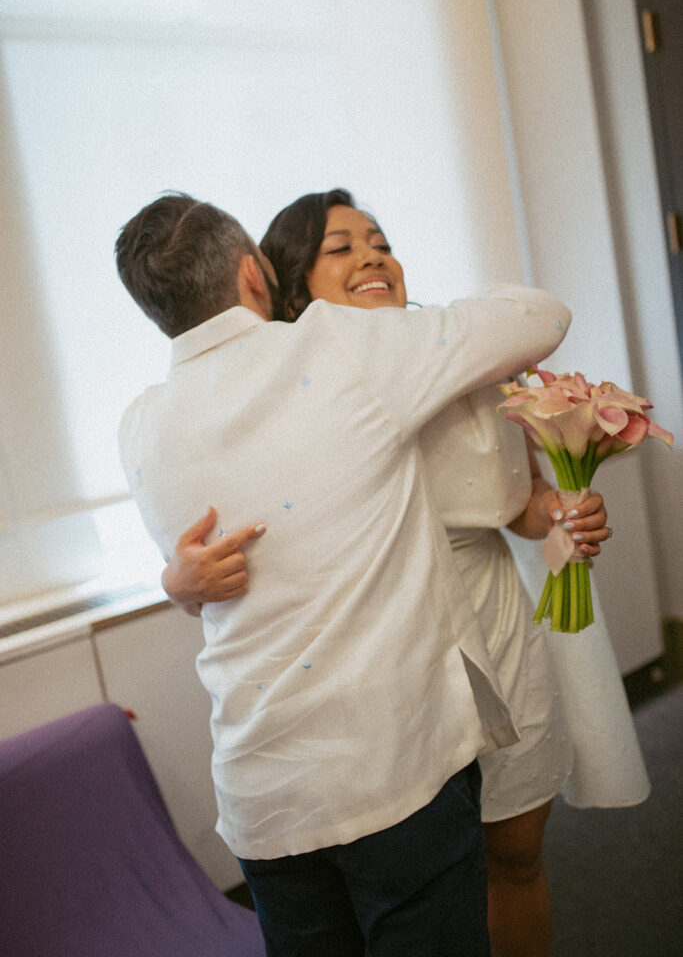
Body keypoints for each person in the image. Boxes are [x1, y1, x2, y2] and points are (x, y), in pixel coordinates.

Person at [160, 190, 636, 957]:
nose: (371, 255)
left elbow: (513, 507)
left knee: (513, 853)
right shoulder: (281, 392)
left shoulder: (463, 362)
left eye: (378, 239)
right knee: (424, 882)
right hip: (386, 661)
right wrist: (176, 581)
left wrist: (559, 514)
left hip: (491, 618)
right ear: (283, 286)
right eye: (339, 248)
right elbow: (224, 525)